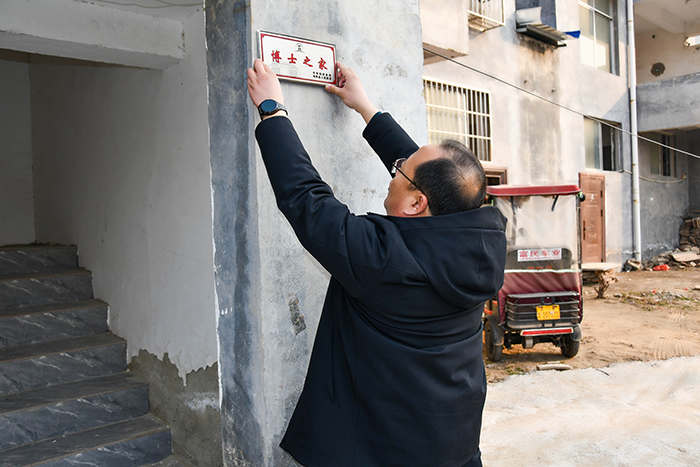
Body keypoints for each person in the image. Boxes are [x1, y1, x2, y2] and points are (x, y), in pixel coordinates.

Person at [246, 59, 507, 467]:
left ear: (417, 203)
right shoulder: (476, 242)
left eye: (399, 171)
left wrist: (272, 112)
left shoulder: (384, 259)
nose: (394, 170)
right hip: (452, 442)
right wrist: (366, 108)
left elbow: (307, 201)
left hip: (386, 450)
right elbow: (428, 175)